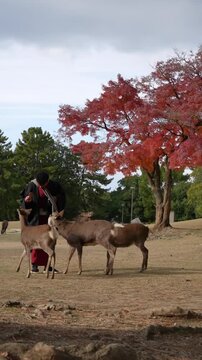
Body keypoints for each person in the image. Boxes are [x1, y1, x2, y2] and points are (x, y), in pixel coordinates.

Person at [21, 171, 66, 273]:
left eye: (44, 184)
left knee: (50, 241)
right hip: (36, 218)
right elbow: (24, 201)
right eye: (40, 184)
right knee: (36, 240)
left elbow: (62, 198)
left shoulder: (54, 186)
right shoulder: (32, 185)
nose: (42, 186)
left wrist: (59, 209)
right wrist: (27, 201)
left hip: (49, 218)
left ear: (48, 181)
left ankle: (48, 265)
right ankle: (34, 265)